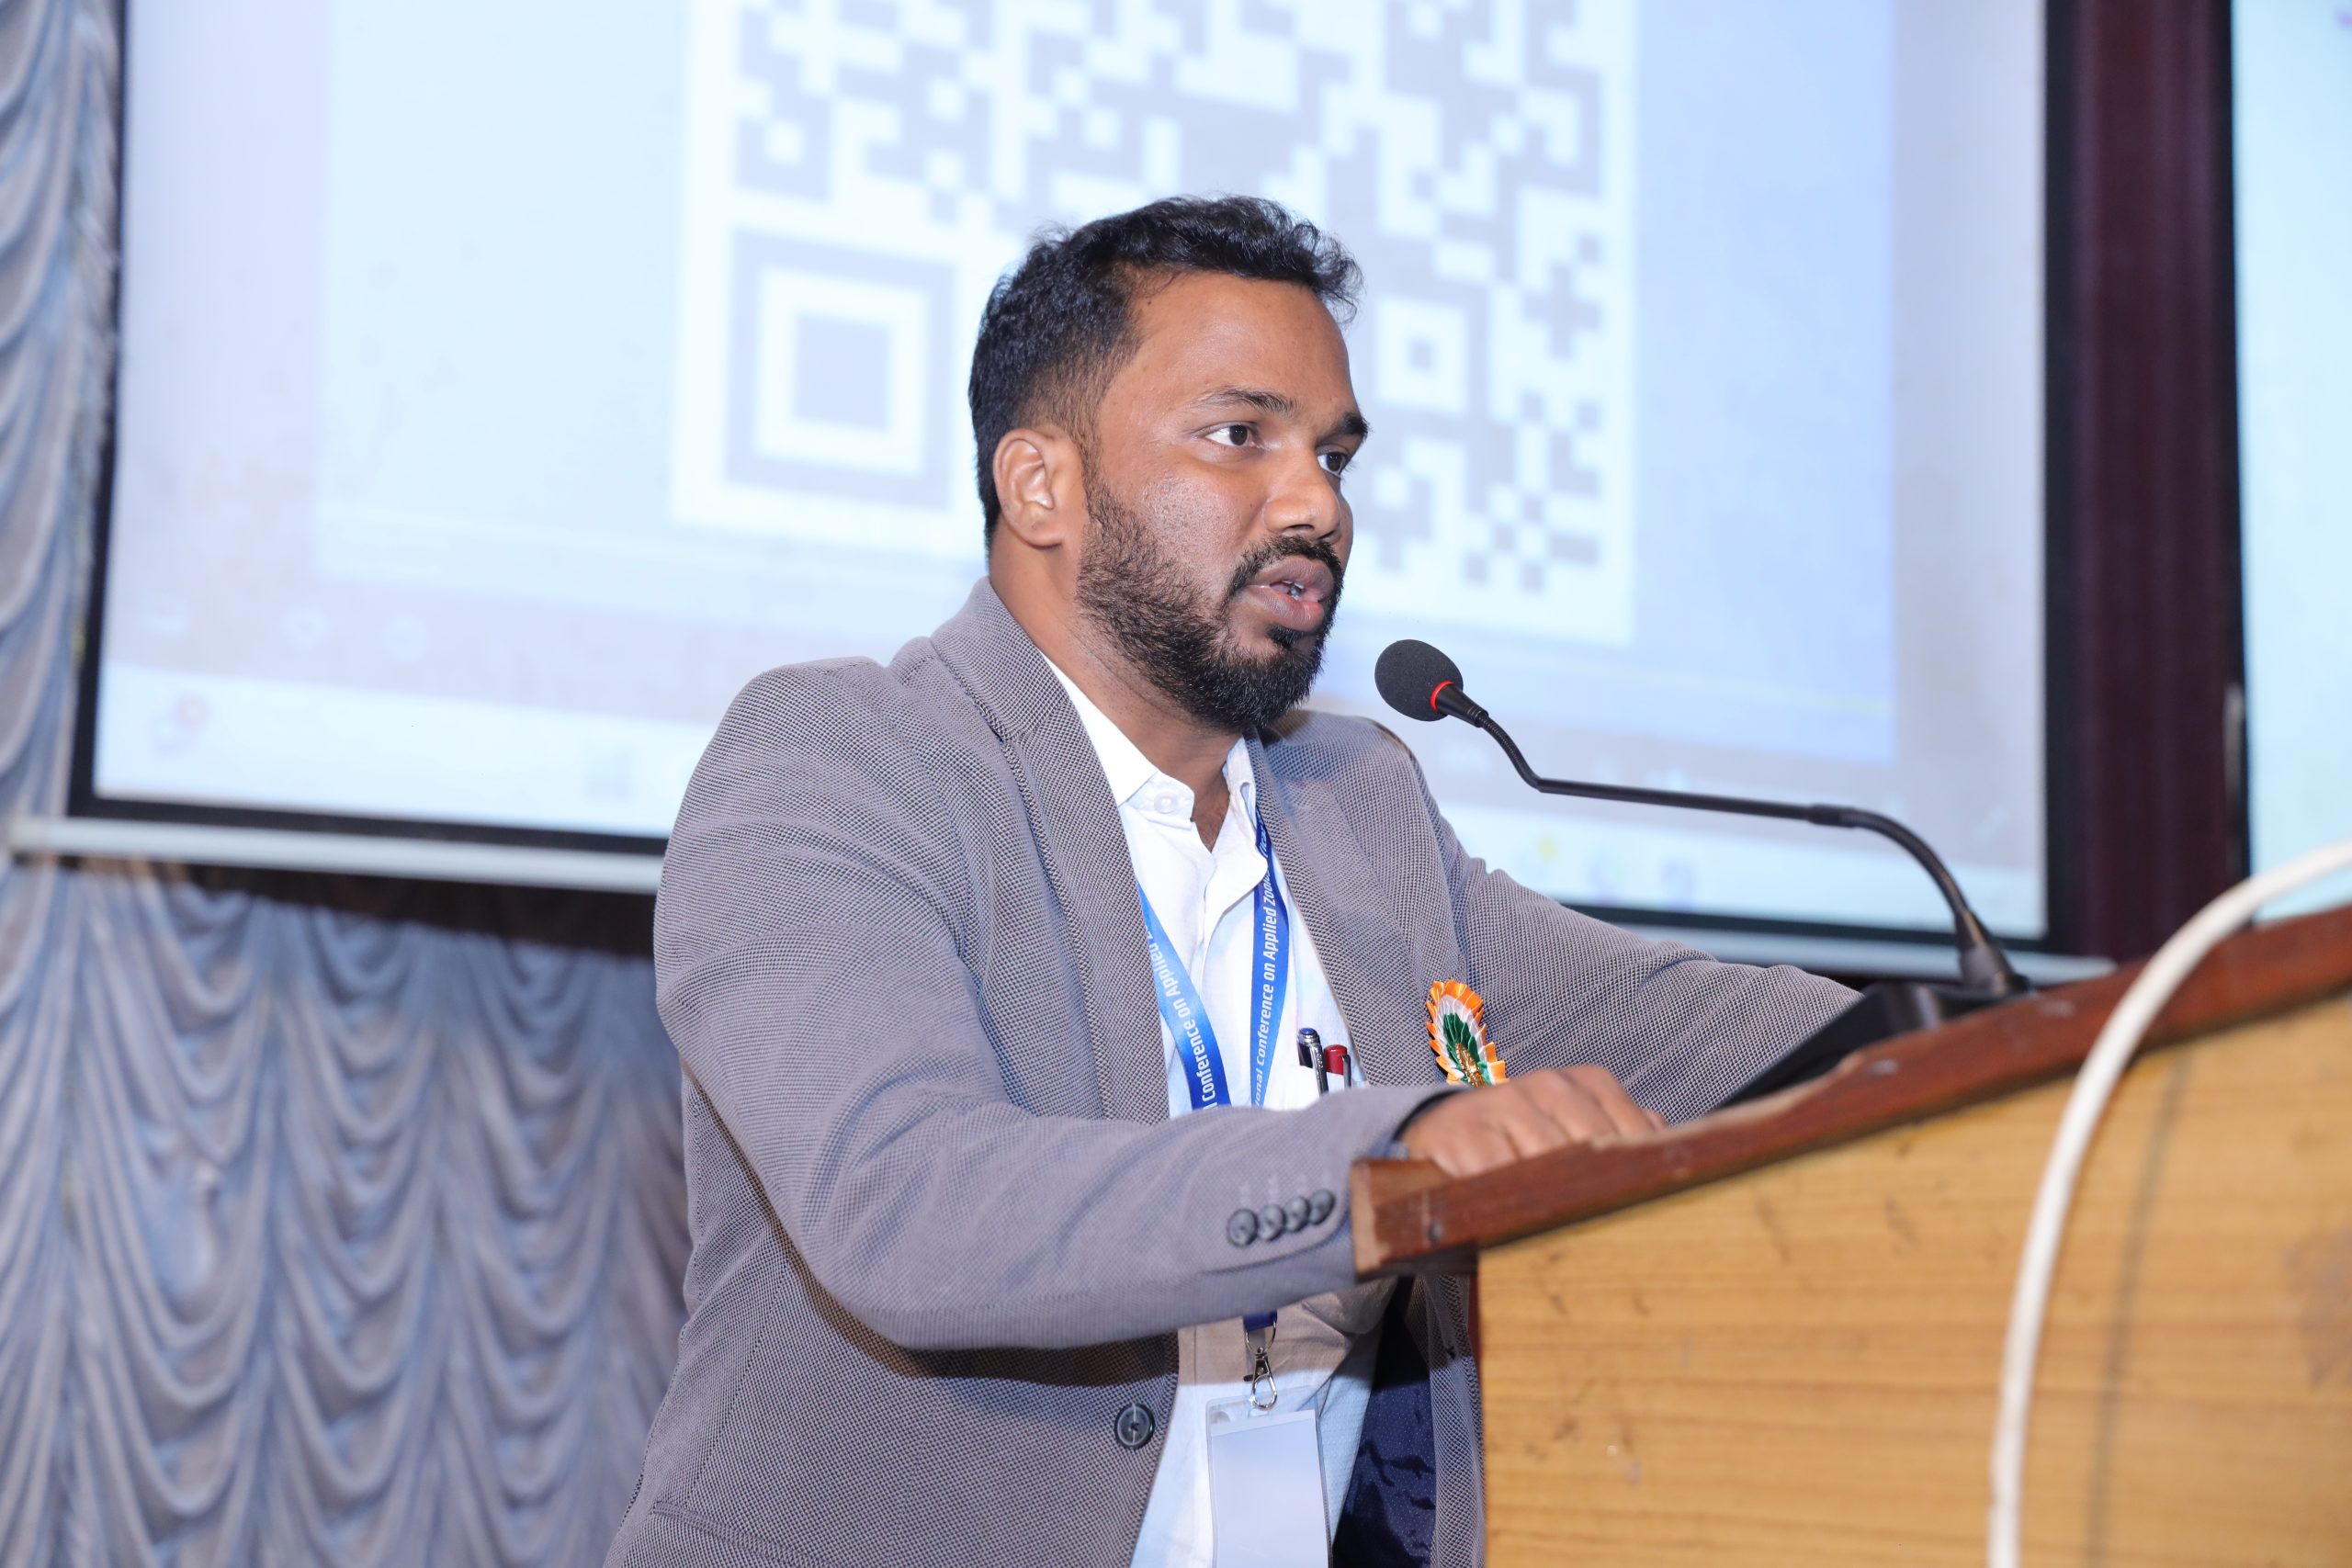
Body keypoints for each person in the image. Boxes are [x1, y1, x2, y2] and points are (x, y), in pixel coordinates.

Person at [604, 196, 1853, 1568]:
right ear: (1041, 487)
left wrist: (2002, 1038)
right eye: (1240, 435)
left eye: (1333, 453)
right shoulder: (844, 754)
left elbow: (1684, 1031)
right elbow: (907, 1201)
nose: (1317, 502)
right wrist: (1390, 1158)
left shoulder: (1357, 802)